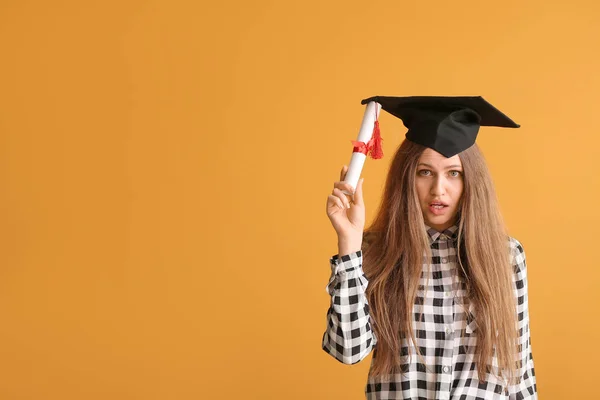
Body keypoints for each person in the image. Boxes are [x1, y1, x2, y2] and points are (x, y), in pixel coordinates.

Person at [322, 96, 537, 399]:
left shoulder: (506, 255)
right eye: (425, 172)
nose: (439, 189)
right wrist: (349, 244)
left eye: (453, 173)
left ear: (472, 181)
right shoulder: (375, 251)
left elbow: (519, 368)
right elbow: (348, 350)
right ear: (406, 177)